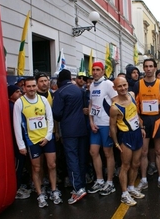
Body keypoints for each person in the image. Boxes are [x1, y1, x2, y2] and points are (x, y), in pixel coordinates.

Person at [13, 77, 62, 208]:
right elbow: (17, 125)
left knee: (52, 165)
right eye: (28, 86)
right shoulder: (19, 103)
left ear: (36, 86)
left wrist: (48, 137)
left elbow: (50, 119)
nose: (31, 89)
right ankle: (40, 193)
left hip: (47, 139)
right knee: (36, 168)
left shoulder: (43, 100)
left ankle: (54, 190)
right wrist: (21, 145)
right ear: (24, 88)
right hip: (32, 140)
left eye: (33, 86)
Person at [134, 59, 160, 193]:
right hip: (144, 120)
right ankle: (143, 180)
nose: (148, 69)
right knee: (143, 152)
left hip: (158, 120)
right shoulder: (138, 84)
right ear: (143, 68)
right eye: (146, 67)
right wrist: (138, 121)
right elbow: (134, 105)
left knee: (159, 151)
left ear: (155, 68)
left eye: (151, 66)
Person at [52, 69, 88, 205]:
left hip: (68, 130)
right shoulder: (79, 90)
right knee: (81, 158)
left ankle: (77, 188)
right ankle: (82, 185)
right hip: (82, 128)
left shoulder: (60, 92)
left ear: (60, 80)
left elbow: (57, 114)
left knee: (72, 158)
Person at [109, 77, 146, 206]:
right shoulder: (114, 107)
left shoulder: (132, 95)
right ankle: (124, 193)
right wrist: (116, 143)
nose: (123, 88)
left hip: (137, 133)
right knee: (125, 165)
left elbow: (136, 114)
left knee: (136, 164)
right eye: (120, 86)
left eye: (125, 85)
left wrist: (141, 127)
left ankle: (131, 187)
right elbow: (112, 127)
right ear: (115, 88)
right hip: (125, 136)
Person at [87, 62, 118, 196]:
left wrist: (113, 125)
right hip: (96, 124)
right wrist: (91, 121)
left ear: (103, 71)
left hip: (107, 124)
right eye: (93, 70)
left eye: (98, 70)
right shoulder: (92, 85)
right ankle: (99, 180)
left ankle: (110, 182)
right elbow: (91, 104)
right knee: (93, 152)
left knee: (108, 153)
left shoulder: (108, 84)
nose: (95, 72)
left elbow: (116, 103)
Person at [8, 85, 30, 200]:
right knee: (18, 165)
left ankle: (19, 185)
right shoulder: (11, 107)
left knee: (21, 164)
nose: (20, 93)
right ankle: (16, 188)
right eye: (17, 92)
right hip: (17, 142)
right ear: (10, 95)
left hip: (21, 139)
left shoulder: (16, 105)